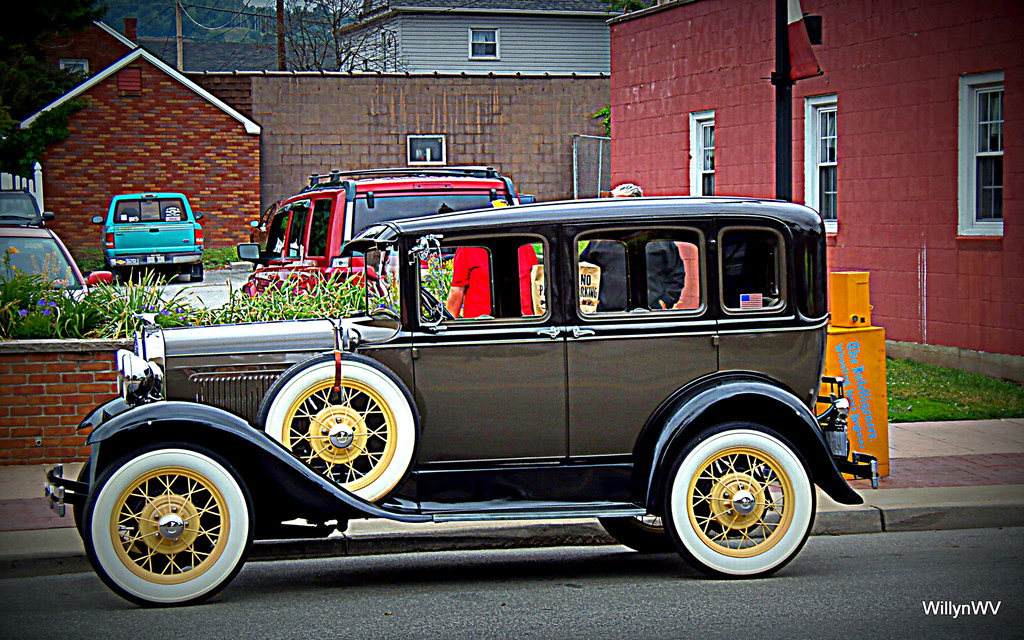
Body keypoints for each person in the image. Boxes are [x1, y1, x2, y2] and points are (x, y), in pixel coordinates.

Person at [580, 182, 685, 311]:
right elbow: (584, 271)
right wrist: (590, 302)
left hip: (651, 314)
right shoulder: (599, 241)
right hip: (607, 315)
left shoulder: (661, 241)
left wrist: (664, 302)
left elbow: (676, 275)